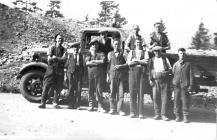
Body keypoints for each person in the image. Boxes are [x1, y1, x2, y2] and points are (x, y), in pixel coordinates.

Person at [39, 34, 67, 109]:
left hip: (59, 70)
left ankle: (55, 102)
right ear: (56, 39)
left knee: (58, 87)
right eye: (59, 38)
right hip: (51, 69)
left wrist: (55, 57)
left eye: (61, 39)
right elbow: (49, 59)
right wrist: (59, 58)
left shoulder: (64, 49)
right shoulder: (51, 47)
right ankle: (43, 102)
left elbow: (64, 59)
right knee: (46, 85)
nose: (60, 40)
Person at [127, 38, 149, 118]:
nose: (138, 44)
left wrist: (136, 61)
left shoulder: (145, 52)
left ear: (141, 43)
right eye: (137, 42)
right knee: (132, 92)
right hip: (132, 73)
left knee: (141, 93)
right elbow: (129, 63)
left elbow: (146, 62)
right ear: (135, 43)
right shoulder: (131, 52)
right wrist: (140, 61)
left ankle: (140, 113)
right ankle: (132, 112)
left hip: (142, 74)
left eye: (140, 42)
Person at [149, 46, 172, 121]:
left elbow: (170, 69)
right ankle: (157, 114)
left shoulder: (165, 59)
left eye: (158, 51)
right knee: (155, 97)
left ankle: (163, 114)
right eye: (155, 51)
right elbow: (149, 70)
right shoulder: (152, 60)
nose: (157, 52)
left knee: (164, 97)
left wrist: (166, 72)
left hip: (164, 80)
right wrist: (150, 80)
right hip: (155, 81)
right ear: (153, 52)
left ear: (161, 51)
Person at [107, 38, 128, 115]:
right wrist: (108, 75)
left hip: (121, 76)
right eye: (115, 44)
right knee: (112, 92)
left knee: (121, 94)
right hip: (112, 75)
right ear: (113, 45)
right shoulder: (110, 54)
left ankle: (120, 110)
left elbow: (127, 64)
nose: (116, 45)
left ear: (120, 45)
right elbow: (108, 66)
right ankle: (112, 109)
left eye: (118, 44)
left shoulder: (123, 53)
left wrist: (121, 66)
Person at [172, 48, 194, 123]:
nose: (182, 55)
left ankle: (185, 116)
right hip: (176, 86)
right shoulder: (175, 64)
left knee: (185, 101)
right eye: (181, 53)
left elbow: (191, 76)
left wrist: (190, 85)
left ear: (185, 54)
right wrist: (174, 83)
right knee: (176, 101)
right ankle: (177, 116)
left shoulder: (188, 64)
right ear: (178, 54)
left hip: (184, 86)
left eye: (183, 53)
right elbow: (173, 74)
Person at [85, 39, 106, 113]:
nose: (95, 47)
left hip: (99, 74)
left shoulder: (101, 53)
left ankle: (100, 106)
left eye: (96, 45)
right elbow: (87, 63)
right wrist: (96, 63)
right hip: (90, 74)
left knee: (99, 90)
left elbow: (102, 61)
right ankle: (91, 105)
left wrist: (92, 61)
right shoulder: (89, 54)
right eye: (93, 45)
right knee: (91, 89)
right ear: (91, 46)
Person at [66, 45, 84, 109]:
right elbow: (66, 65)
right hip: (71, 74)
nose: (75, 50)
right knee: (71, 88)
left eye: (77, 49)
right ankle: (70, 104)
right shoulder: (70, 56)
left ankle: (77, 104)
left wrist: (82, 74)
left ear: (79, 49)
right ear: (73, 49)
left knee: (78, 89)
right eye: (74, 49)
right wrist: (66, 75)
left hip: (78, 75)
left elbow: (83, 66)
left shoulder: (81, 56)